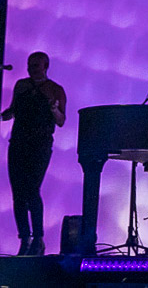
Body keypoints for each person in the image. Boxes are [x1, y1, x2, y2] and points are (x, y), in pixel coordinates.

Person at [1, 52, 66, 256]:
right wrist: (6, 115)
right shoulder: (21, 86)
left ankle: (38, 238)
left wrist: (53, 109)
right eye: (30, 65)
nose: (31, 69)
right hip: (18, 143)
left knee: (32, 189)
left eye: (36, 65)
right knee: (18, 193)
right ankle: (25, 238)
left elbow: (61, 121)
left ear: (45, 66)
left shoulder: (55, 89)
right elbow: (13, 110)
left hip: (40, 145)